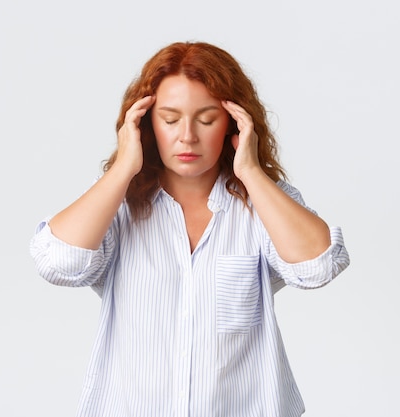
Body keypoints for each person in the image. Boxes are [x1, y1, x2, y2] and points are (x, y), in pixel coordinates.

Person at [30, 41, 350, 417]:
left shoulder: (263, 203)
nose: (187, 136)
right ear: (145, 124)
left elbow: (318, 267)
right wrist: (122, 169)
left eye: (206, 119)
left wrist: (250, 172)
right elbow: (59, 264)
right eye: (169, 119)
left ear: (234, 122)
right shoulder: (118, 205)